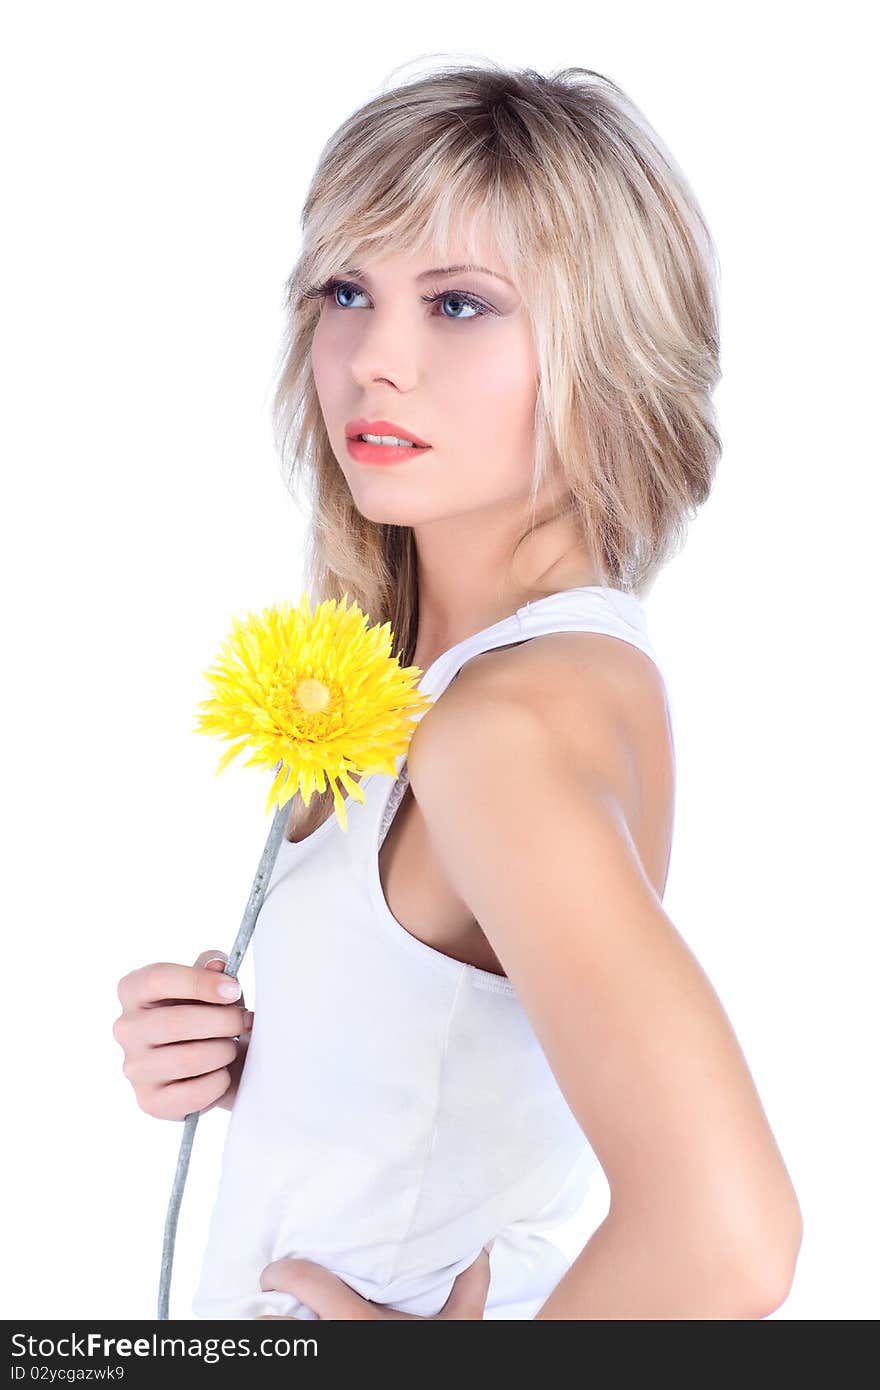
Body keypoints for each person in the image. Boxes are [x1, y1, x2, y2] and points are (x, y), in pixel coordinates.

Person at [113, 58, 802, 1319]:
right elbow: (460, 1070)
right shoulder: (459, 682)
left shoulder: (500, 727)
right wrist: (252, 1061)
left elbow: (730, 1234)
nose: (376, 356)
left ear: (603, 349)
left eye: (462, 304)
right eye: (346, 290)